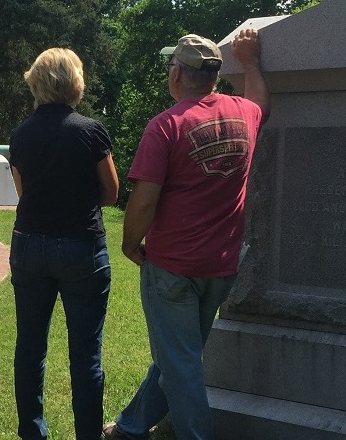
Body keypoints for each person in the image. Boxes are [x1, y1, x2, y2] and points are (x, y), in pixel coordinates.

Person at [103, 29, 269, 440]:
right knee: (177, 357)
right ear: (213, 76)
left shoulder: (166, 126)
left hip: (173, 268)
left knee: (181, 364)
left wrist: (128, 242)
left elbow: (143, 200)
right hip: (222, 266)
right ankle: (131, 426)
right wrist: (250, 64)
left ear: (176, 73)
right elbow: (261, 103)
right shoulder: (243, 114)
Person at [8, 49, 120, 440]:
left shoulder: (20, 135)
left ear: (36, 82)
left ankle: (32, 433)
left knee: (30, 347)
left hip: (28, 245)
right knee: (86, 354)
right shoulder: (90, 130)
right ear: (75, 82)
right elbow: (110, 192)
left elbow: (24, 193)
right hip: (81, 248)